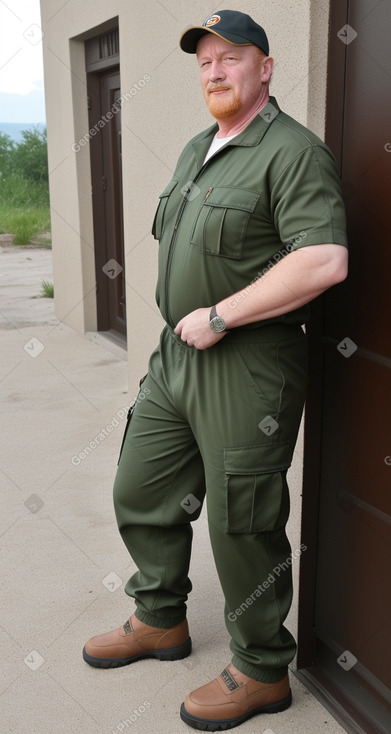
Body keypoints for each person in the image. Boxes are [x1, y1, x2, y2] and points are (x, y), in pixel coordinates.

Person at [83, 10, 348, 731]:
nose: (213, 71)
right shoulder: (199, 147)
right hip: (176, 356)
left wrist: (223, 315)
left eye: (229, 57)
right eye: (202, 61)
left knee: (242, 519)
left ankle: (261, 667)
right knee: (141, 484)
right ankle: (159, 617)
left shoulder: (292, 152)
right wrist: (184, 325)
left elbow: (322, 259)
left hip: (246, 360)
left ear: (264, 67)